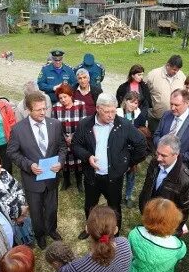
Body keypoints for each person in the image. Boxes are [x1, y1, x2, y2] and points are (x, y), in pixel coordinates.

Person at [72, 93, 147, 240]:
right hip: (92, 176)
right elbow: (75, 145)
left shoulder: (124, 125)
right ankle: (90, 228)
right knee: (90, 205)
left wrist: (127, 163)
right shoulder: (85, 124)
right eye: (107, 112)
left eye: (114, 111)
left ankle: (115, 233)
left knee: (114, 207)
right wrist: (87, 157)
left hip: (113, 177)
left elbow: (141, 145)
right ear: (98, 109)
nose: (111, 115)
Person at [7, 92, 66, 250]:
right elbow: (12, 152)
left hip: (51, 177)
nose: (42, 112)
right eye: (38, 109)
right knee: (36, 210)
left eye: (44, 108)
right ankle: (40, 235)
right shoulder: (18, 130)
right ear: (28, 110)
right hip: (32, 180)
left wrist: (60, 162)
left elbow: (62, 147)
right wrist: (28, 165)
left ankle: (51, 230)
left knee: (52, 207)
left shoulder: (55, 124)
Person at [139, 134, 189, 234]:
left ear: (176, 155)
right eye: (158, 153)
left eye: (164, 155)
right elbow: (147, 187)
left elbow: (183, 210)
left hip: (165, 225)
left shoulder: (186, 180)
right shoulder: (154, 163)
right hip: (148, 215)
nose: (158, 158)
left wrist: (176, 232)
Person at [0, 152, 34, 247]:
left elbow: (18, 188)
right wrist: (19, 212)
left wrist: (23, 207)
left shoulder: (3, 172)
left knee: (27, 230)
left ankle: (29, 240)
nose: (0, 165)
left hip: (22, 212)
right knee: (15, 241)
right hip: (10, 220)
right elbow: (0, 207)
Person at [152, 89, 189, 174]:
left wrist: (177, 157)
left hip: (180, 168)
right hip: (161, 163)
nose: (172, 108)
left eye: (176, 105)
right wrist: (162, 150)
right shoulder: (167, 115)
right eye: (171, 104)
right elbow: (156, 135)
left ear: (187, 103)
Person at [52, 83, 86, 192]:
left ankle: (79, 182)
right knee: (64, 160)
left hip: (77, 139)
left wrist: (73, 137)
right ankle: (66, 181)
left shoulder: (81, 105)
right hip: (62, 140)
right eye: (60, 98)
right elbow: (55, 125)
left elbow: (83, 124)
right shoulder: (56, 107)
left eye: (65, 97)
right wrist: (65, 137)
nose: (62, 100)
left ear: (70, 95)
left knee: (78, 160)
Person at [117, 91, 148, 207]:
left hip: (133, 150)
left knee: (131, 174)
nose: (133, 105)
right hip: (120, 148)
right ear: (125, 101)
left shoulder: (139, 115)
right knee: (119, 174)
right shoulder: (118, 113)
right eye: (131, 102)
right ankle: (118, 195)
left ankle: (128, 196)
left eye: (136, 103)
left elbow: (142, 131)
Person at [146, 55, 186, 132]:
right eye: (174, 69)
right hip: (156, 118)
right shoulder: (153, 75)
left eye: (178, 70)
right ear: (168, 65)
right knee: (154, 140)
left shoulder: (182, 76)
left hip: (174, 119)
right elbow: (145, 93)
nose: (176, 72)